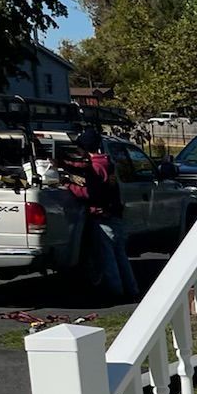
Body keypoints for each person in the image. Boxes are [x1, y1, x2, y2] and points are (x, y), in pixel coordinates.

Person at [68, 129, 139, 301]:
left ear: (84, 148)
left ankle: (115, 292)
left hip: (103, 216)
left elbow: (90, 193)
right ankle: (131, 289)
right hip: (115, 214)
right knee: (120, 255)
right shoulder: (107, 162)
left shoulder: (96, 167)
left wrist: (70, 186)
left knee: (108, 257)